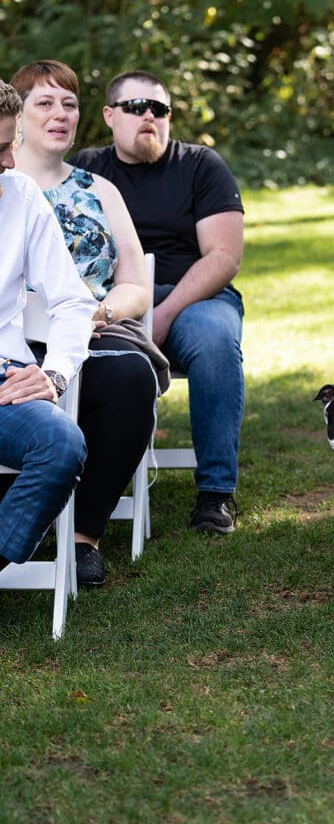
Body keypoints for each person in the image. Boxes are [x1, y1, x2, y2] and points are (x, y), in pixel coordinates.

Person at [71, 70, 245, 535]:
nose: (149, 116)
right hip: (111, 300)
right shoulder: (87, 171)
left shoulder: (202, 165)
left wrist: (162, 313)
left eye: (160, 109)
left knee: (215, 342)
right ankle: (73, 477)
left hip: (191, 297)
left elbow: (224, 257)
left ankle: (215, 494)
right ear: (109, 116)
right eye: (135, 107)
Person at [11, 60, 162, 588]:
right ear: (17, 115)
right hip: (13, 343)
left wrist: (99, 312)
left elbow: (137, 285)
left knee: (129, 380)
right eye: (44, 103)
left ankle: (84, 536)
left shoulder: (98, 189)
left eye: (69, 104)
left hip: (93, 336)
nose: (59, 115)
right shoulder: (5, 189)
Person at [0, 79, 97, 574]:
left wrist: (56, 374)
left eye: (11, 144)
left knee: (61, 444)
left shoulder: (20, 196)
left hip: (6, 381)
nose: (10, 162)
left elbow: (73, 302)